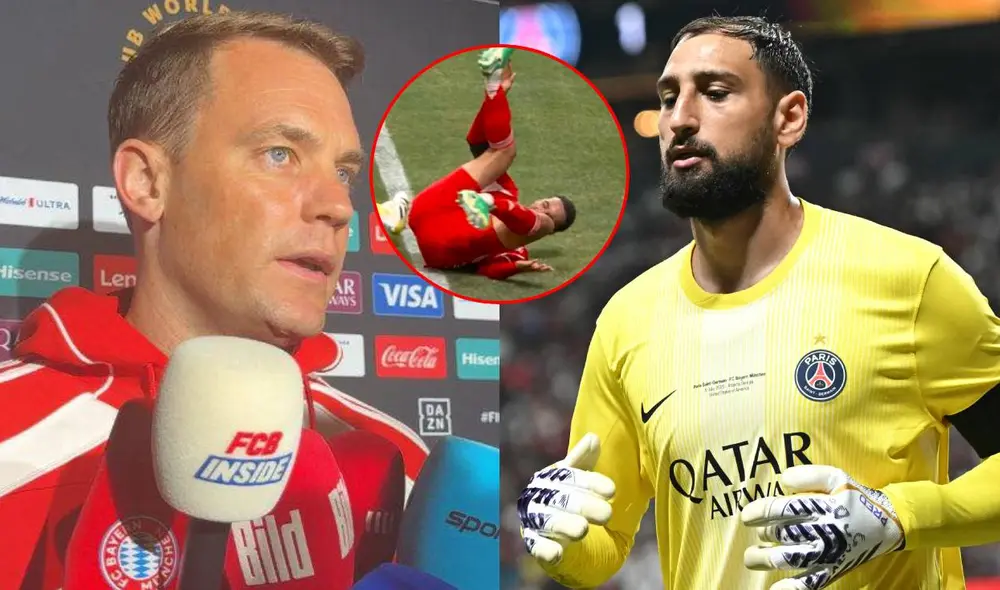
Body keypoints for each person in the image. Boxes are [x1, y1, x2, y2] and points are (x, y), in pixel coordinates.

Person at [516, 15, 1000, 590]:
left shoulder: (909, 278)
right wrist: (555, 534)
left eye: (715, 93)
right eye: (669, 98)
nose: (680, 119)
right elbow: (599, 549)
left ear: (788, 118)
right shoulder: (627, 320)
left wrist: (901, 519)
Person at [0, 12, 428, 589]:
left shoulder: (399, 460)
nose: (338, 207)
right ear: (148, 182)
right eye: (280, 154)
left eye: (344, 173)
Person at [377, 48, 577, 281]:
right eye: (545, 204)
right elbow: (478, 142)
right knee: (498, 154)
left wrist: (519, 267)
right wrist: (498, 97)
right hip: (428, 211)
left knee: (529, 208)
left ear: (553, 232)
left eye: (552, 216)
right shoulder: (508, 191)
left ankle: (486, 203)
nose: (543, 210)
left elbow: (489, 269)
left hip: (442, 247)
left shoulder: (520, 246)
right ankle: (493, 89)